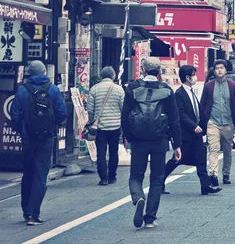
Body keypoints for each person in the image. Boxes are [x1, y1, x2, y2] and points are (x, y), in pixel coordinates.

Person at [121, 57, 182, 229]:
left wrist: (130, 138)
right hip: (159, 140)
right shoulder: (166, 90)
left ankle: (138, 197)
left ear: (143, 69)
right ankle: (150, 218)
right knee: (156, 178)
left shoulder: (133, 88)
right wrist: (177, 145)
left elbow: (125, 117)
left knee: (135, 176)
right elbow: (174, 120)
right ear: (159, 71)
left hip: (139, 140)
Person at [11, 61, 67, 226]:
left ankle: (25, 210)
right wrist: (51, 126)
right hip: (46, 138)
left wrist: (21, 131)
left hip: (28, 138)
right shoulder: (53, 89)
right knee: (40, 175)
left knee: (27, 172)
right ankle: (33, 214)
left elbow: (14, 114)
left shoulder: (22, 90)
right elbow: (62, 113)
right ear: (44, 72)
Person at [163, 65, 222, 195]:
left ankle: (205, 186)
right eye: (193, 75)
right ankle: (160, 181)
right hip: (186, 134)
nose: (195, 77)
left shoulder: (192, 91)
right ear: (187, 77)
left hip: (196, 134)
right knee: (177, 159)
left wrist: (204, 124)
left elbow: (198, 110)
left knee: (201, 159)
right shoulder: (179, 93)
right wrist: (193, 126)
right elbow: (181, 113)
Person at [200, 59, 235, 186]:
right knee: (213, 149)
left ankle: (226, 174)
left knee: (227, 150)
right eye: (217, 68)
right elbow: (203, 104)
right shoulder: (208, 86)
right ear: (214, 70)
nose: (219, 70)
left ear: (225, 70)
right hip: (213, 122)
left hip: (228, 122)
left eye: (221, 68)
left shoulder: (232, 85)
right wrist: (202, 120)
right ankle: (213, 174)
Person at [87, 66, 125, 186]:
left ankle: (103, 178)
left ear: (101, 76)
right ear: (113, 76)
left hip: (100, 127)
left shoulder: (94, 89)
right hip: (115, 125)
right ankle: (112, 176)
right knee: (114, 151)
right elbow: (123, 108)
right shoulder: (119, 90)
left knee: (101, 152)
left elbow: (90, 109)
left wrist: (92, 121)